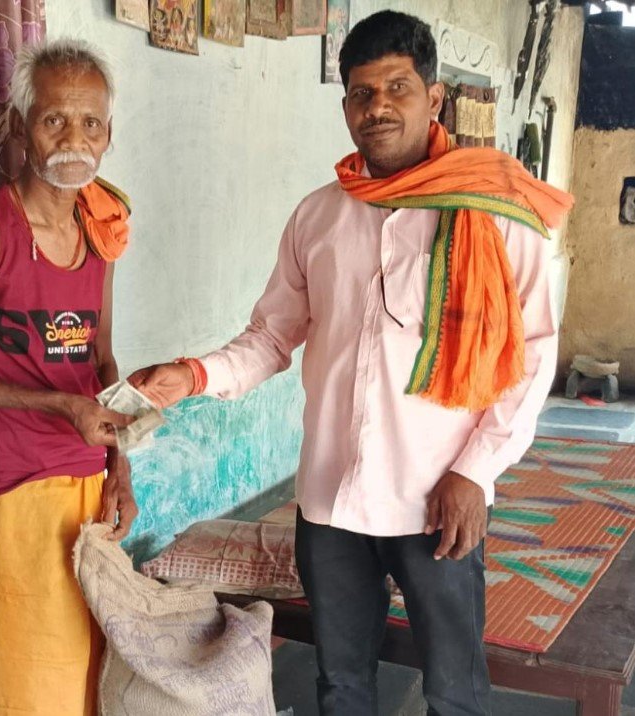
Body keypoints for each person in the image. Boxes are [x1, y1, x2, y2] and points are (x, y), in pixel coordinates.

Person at [129, 11, 573, 716]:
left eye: (398, 88)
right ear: (345, 108)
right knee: (340, 685)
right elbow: (271, 337)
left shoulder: (493, 216)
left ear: (434, 98)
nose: (378, 107)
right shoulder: (318, 216)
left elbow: (531, 355)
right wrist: (194, 375)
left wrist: (476, 472)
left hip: (438, 497)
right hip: (332, 497)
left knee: (454, 692)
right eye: (362, 93)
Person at [0, 39, 138, 716]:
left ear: (108, 134)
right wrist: (58, 405)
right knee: (30, 683)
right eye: (54, 120)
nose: (74, 140)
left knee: (92, 674)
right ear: (19, 127)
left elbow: (101, 359)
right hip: (15, 484)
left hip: (90, 484)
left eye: (90, 123)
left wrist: (121, 466)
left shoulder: (102, 231)